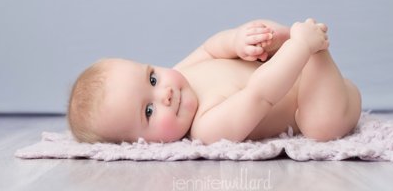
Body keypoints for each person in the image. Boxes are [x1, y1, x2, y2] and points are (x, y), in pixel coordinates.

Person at [67, 19, 362, 145]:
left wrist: (238, 41)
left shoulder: (180, 73)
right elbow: (260, 95)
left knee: (258, 33)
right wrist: (300, 49)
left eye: (153, 78)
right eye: (148, 111)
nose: (165, 94)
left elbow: (211, 48)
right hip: (315, 100)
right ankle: (315, 50)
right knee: (321, 127)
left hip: (293, 68)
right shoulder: (206, 128)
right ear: (144, 145)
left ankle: (300, 42)